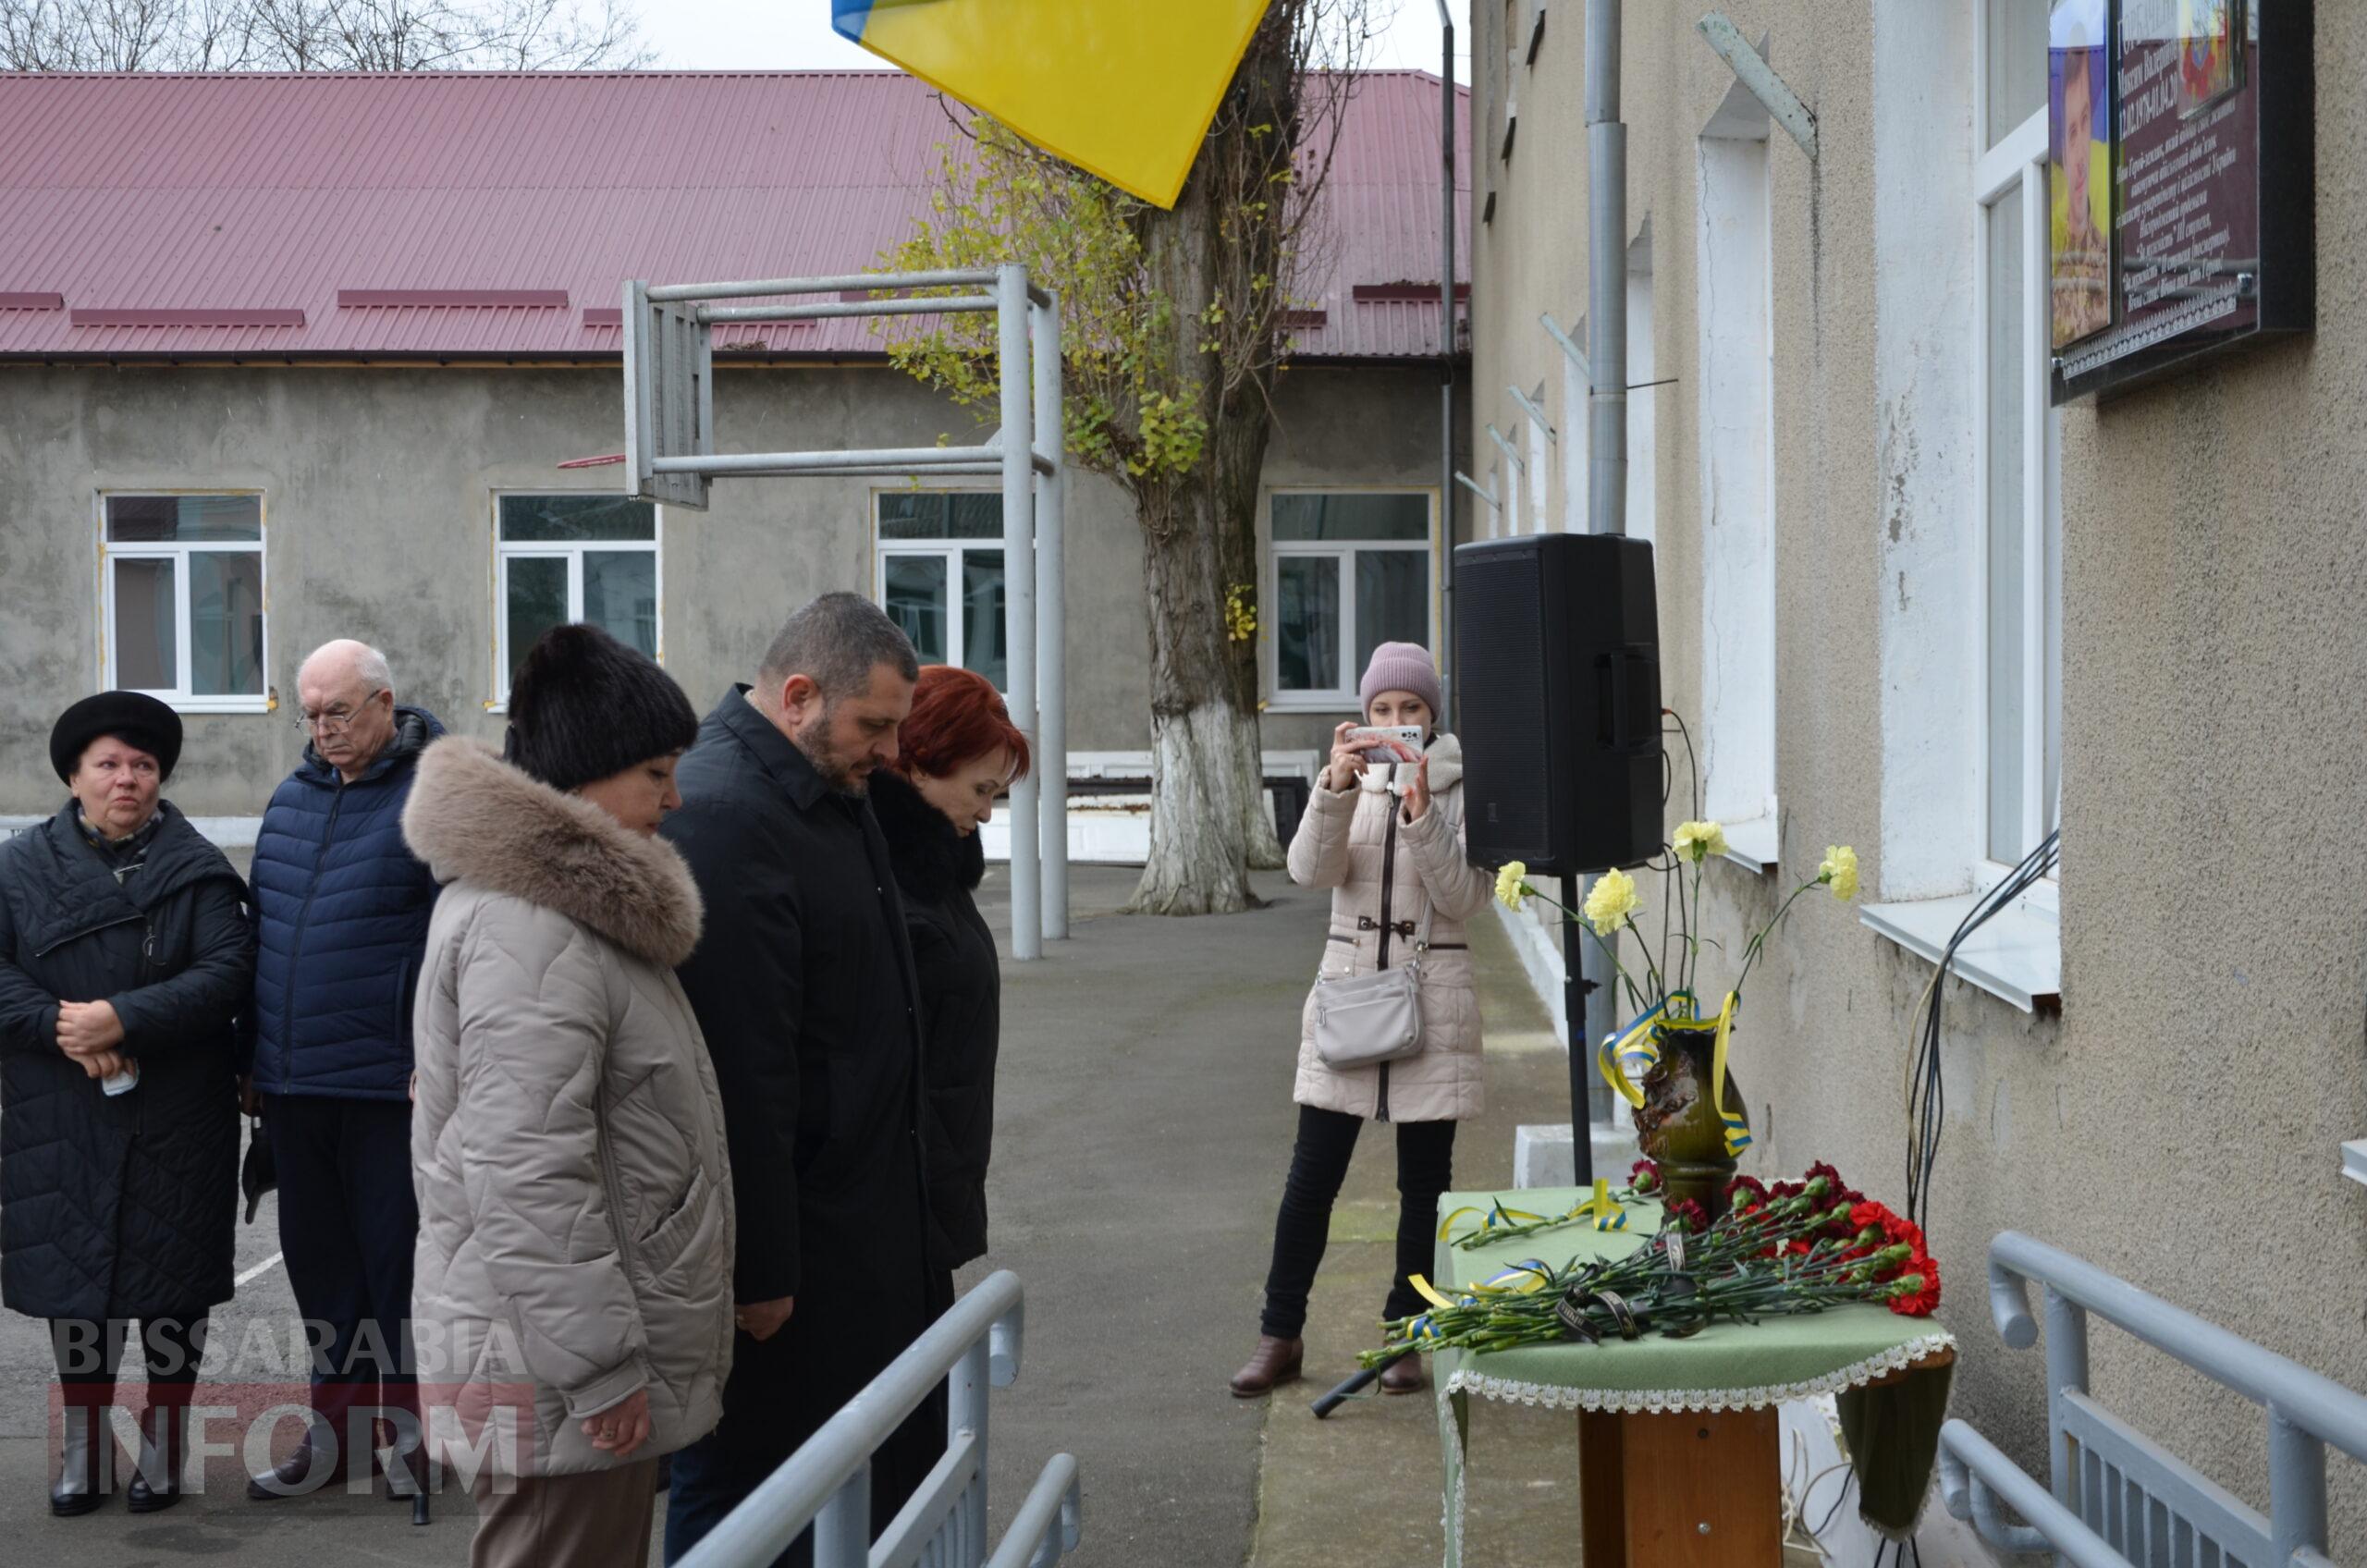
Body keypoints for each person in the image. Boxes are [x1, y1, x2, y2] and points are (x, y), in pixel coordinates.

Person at [402, 625, 735, 1568]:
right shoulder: (529, 925)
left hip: (544, 1352)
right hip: (550, 1367)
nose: (675, 798)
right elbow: (525, 1169)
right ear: (588, 773)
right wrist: (595, 1369)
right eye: (656, 773)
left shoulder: (563, 909)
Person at [659, 593, 939, 1566]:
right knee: (750, 1494)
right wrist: (763, 1271)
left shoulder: (819, 784)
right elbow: (746, 1070)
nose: (890, 751)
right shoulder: (730, 812)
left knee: (840, 1486)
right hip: (797, 1265)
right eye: (875, 726)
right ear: (797, 695)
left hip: (860, 1233)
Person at [0, 692, 254, 1514]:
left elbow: (226, 974)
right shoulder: (19, 867)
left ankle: (166, 1440)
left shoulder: (199, 869)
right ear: (74, 775)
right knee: (78, 1283)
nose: (127, 780)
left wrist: (125, 1019)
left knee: (171, 1284)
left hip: (177, 1109)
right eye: (108, 764)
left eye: (143, 766)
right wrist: (59, 1024)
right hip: (60, 1105)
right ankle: (83, 1446)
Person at [1231, 642, 1494, 1400]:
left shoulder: (1457, 785)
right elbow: (1309, 873)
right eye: (1382, 710)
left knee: (1424, 1186)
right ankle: (1279, 1333)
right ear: (1364, 715)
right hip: (1348, 996)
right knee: (1311, 1179)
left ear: (1432, 716)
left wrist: (1420, 812)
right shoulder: (1346, 780)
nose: (1395, 722)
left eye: (1410, 709)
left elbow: (1466, 898)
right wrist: (1334, 789)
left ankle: (1403, 1338)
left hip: (1432, 995)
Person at [247, 640, 442, 1499]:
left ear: (384, 704)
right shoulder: (289, 800)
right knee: (323, 1274)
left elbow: (457, 948)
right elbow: (263, 940)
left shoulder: (435, 800)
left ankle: (409, 1442)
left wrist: (434, 1060)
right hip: (292, 1087)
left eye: (339, 711)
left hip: (386, 1088)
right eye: (310, 714)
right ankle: (333, 1438)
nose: (323, 730)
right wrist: (251, 1061)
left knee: (396, 1273)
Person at [866, 666, 1030, 1276]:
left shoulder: (936, 870)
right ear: (916, 765)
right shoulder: (891, 881)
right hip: (896, 1213)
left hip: (934, 1193)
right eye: (981, 789)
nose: (987, 814)